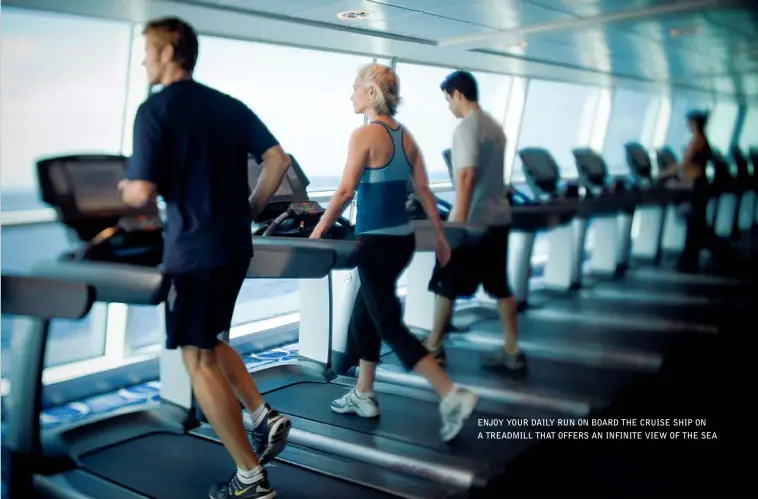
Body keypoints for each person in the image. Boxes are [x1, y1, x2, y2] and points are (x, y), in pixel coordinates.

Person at [118, 17, 291, 499]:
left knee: (195, 358)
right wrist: (250, 208)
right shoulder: (228, 106)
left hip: (193, 250)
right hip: (235, 246)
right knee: (210, 341)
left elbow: (141, 191)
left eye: (148, 50)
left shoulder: (155, 111)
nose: (144, 60)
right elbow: (278, 159)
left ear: (170, 51)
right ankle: (262, 415)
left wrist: (124, 188)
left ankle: (250, 478)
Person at [310, 63, 479, 442]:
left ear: (372, 93)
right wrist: (439, 236)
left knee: (387, 322)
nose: (351, 94)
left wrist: (319, 232)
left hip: (374, 245)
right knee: (365, 317)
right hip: (401, 243)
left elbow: (344, 191)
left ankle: (451, 393)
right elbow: (424, 192)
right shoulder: (406, 137)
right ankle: (364, 394)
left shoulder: (364, 134)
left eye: (355, 87)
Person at [424, 70, 526, 372]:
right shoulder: (494, 127)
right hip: (498, 219)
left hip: (474, 223)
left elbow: (466, 175)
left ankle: (434, 346)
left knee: (445, 280)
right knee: (499, 284)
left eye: (448, 100)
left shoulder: (467, 128)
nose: (449, 107)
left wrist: (460, 222)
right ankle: (511, 349)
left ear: (458, 94)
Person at [660, 110, 714, 273]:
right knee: (697, 225)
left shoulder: (697, 141)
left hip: (697, 185)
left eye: (689, 122)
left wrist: (665, 173)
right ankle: (690, 261)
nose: (687, 126)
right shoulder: (702, 140)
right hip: (700, 184)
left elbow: (685, 164)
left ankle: (688, 262)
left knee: (695, 225)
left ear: (695, 124)